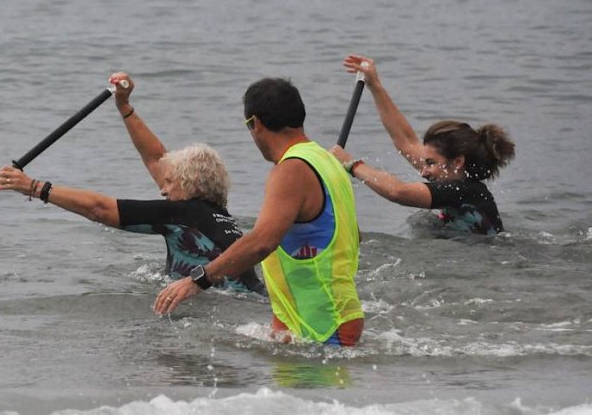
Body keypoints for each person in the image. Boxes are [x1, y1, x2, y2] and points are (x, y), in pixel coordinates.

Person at [0, 73, 265, 294]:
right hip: (253, 299)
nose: (162, 188)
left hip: (232, 303)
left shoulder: (184, 213)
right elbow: (157, 158)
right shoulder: (211, 214)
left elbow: (100, 209)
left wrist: (34, 187)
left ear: (191, 186)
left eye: (169, 182)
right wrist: (124, 106)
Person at [154, 78, 364, 347]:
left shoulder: (291, 169)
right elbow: (353, 235)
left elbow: (262, 241)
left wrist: (199, 278)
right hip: (326, 314)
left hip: (322, 323)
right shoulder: (328, 161)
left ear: (256, 123)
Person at [330, 55, 516, 235]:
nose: (424, 171)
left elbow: (398, 192)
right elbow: (406, 141)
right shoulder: (451, 175)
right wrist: (375, 85)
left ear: (458, 162)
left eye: (431, 163)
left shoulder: (465, 190)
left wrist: (352, 164)